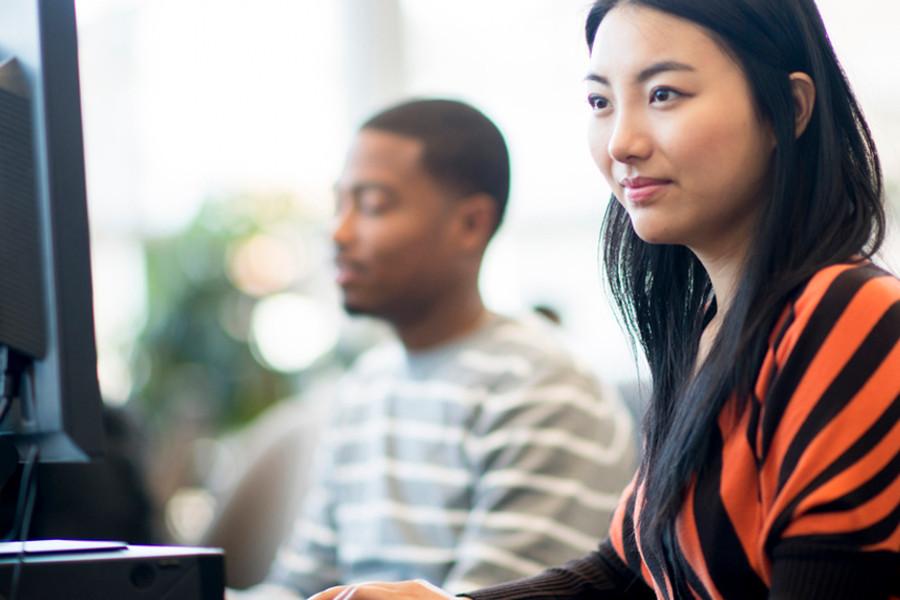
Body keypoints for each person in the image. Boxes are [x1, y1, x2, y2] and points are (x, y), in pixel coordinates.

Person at [308, 1, 900, 599]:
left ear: (787, 110)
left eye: (665, 94)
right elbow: (625, 572)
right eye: (600, 102)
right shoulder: (709, 330)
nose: (622, 141)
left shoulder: (853, 318)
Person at [240, 99, 636, 598]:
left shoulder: (543, 389)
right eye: (339, 204)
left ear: (470, 224)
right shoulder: (365, 385)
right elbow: (298, 588)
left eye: (373, 205)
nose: (338, 233)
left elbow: (492, 598)